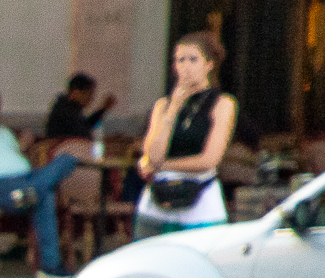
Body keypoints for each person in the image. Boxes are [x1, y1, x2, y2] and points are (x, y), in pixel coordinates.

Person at [0, 87, 92, 278]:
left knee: (66, 159)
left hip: (22, 186)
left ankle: (34, 191)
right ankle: (50, 268)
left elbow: (12, 161)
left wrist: (23, 146)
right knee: (44, 194)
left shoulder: (4, 132)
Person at [135, 31, 238, 239]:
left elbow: (209, 160)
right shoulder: (163, 105)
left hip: (199, 201)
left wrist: (162, 166)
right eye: (180, 60)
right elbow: (153, 153)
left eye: (193, 60)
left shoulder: (222, 104)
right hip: (158, 201)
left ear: (209, 65)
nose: (186, 67)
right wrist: (173, 109)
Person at [43, 73, 117, 141]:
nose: (90, 98)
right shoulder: (65, 111)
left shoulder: (71, 108)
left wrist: (103, 110)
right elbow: (81, 133)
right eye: (88, 94)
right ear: (75, 92)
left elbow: (85, 125)